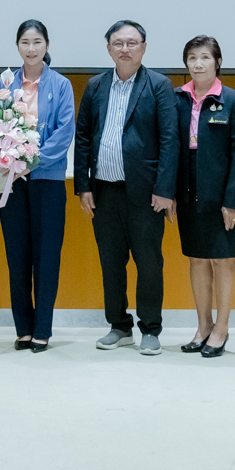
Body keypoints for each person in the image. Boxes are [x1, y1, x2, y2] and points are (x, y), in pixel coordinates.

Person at [75, 20, 178, 356]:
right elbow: (83, 138)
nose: (125, 49)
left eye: (132, 43)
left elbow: (169, 139)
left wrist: (165, 189)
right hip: (104, 191)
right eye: (118, 43)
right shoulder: (96, 85)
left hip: (146, 193)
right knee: (111, 262)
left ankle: (150, 328)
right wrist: (83, 186)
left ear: (144, 48)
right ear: (108, 48)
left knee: (149, 262)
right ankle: (119, 326)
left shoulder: (159, 85)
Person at [0, 20, 74, 351]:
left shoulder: (61, 84)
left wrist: (31, 160)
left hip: (47, 180)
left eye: (37, 41)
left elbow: (65, 130)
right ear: (17, 46)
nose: (31, 48)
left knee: (46, 256)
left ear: (47, 45)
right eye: (25, 42)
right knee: (17, 256)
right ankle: (23, 328)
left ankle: (42, 329)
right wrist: (12, 158)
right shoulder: (5, 82)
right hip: (12, 182)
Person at [174, 36, 235, 358]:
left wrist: (233, 200)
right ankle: (203, 326)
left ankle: (222, 328)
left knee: (222, 259)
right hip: (187, 190)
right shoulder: (176, 98)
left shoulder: (233, 100)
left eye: (205, 57)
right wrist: (170, 194)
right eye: (192, 57)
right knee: (197, 258)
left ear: (218, 62)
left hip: (221, 194)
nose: (198, 63)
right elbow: (171, 149)